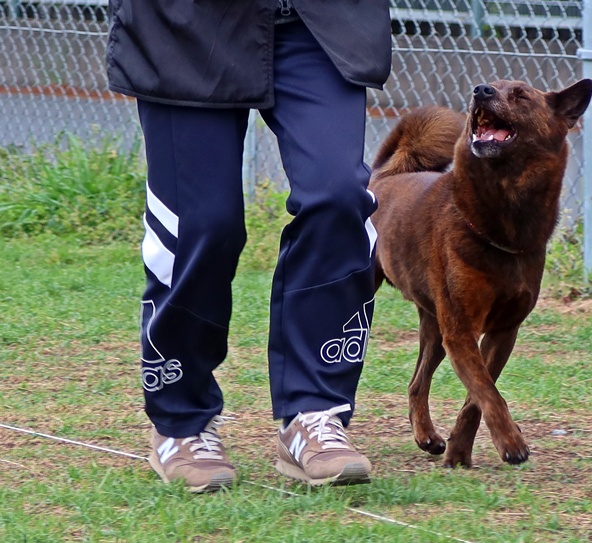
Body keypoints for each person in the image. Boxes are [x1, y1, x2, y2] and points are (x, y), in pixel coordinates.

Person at [105, 0, 392, 491]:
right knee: (202, 224)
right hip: (185, 24)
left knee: (338, 195)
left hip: (317, 21)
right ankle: (182, 422)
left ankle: (314, 413)